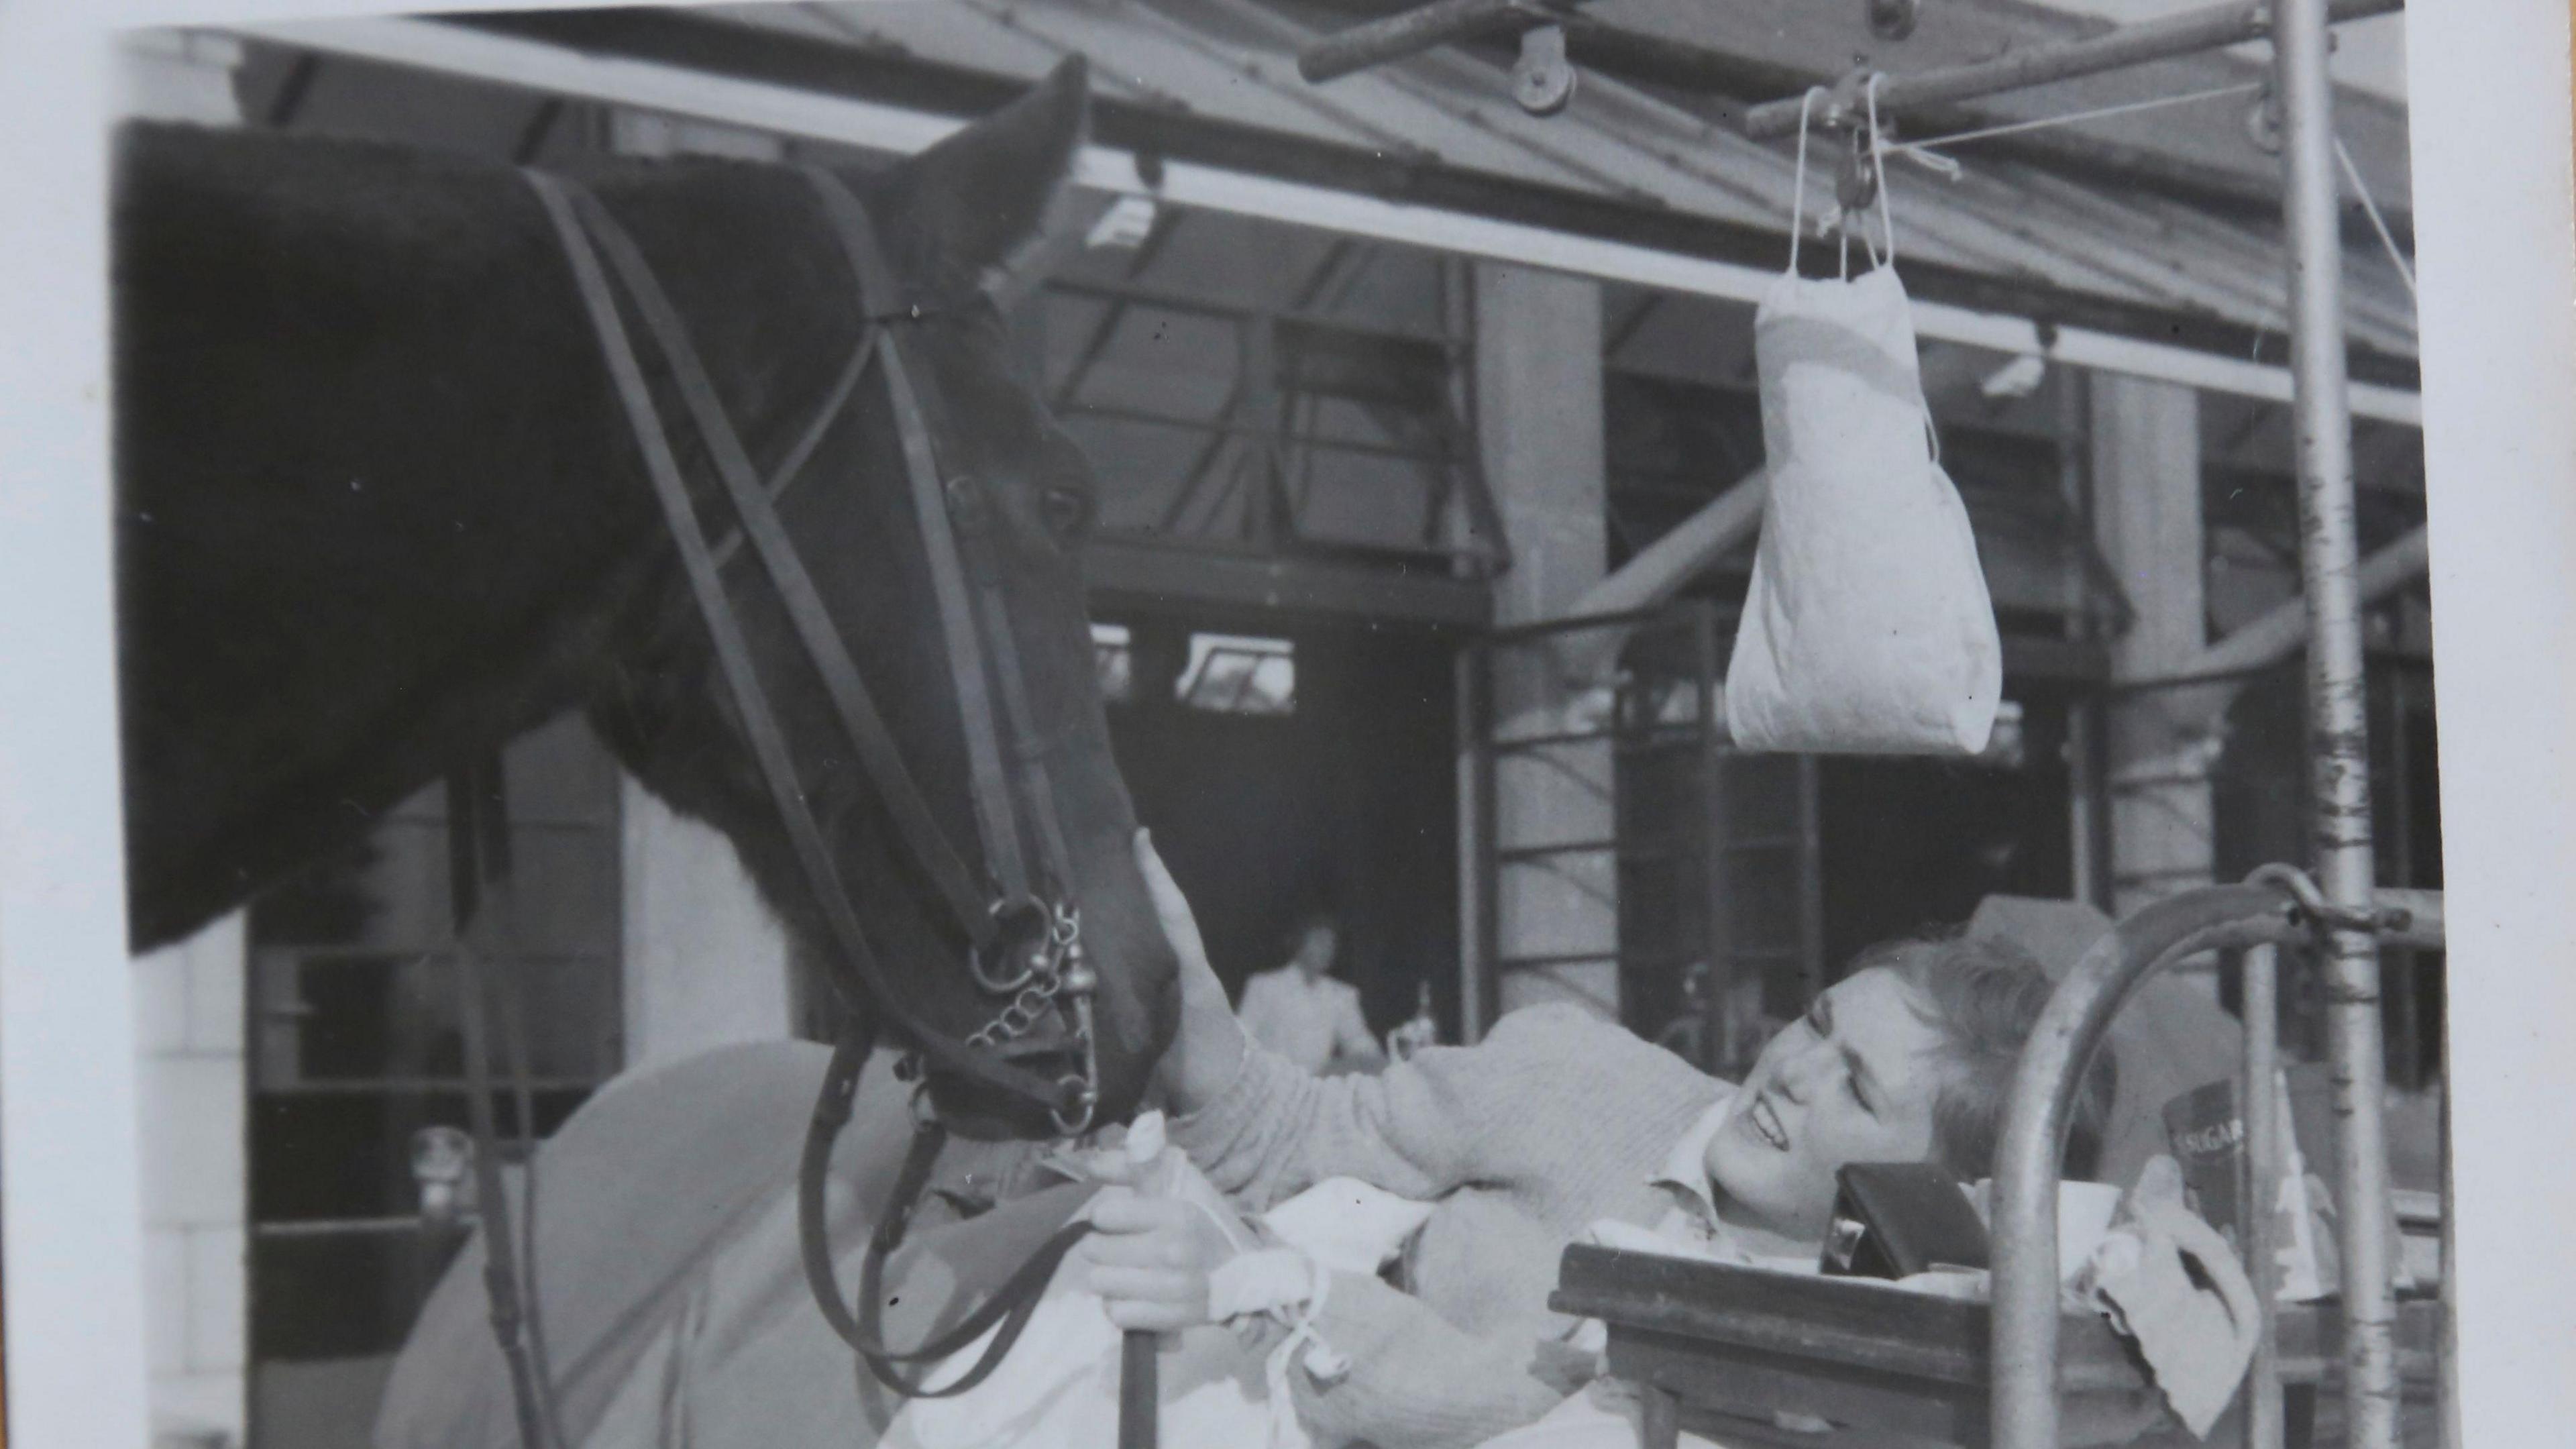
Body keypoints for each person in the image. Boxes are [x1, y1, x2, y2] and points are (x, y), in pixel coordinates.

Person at [1079, 830, 2114, 1449]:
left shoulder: (1879, 1355)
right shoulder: (1572, 1073)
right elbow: (1290, 1134)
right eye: (1817, 1024)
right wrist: (1188, 987)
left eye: (1855, 1087)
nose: (1790, 1073)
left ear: (1934, 1192)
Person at [1236, 912, 1385, 1075]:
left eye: (1331, 944)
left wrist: (1377, 1063)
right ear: (1299, 944)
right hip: (1271, 1084)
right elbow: (1243, 1040)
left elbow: (1359, 1041)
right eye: (1319, 941)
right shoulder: (1265, 986)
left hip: (1317, 1087)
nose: (1327, 950)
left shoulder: (1341, 995)